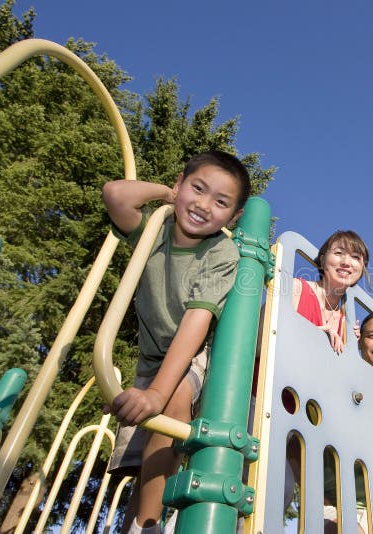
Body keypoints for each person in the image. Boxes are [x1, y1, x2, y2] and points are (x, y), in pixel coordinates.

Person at [102, 150, 250, 534]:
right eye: (197, 189)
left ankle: (148, 525)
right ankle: (136, 522)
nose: (203, 205)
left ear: (233, 218)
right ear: (180, 182)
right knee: (143, 465)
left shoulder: (221, 252)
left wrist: (156, 393)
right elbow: (116, 193)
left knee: (172, 402)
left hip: (194, 354)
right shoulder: (156, 229)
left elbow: (194, 325)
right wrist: (166, 194)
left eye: (221, 202)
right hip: (150, 357)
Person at [323, 310, 373, 533]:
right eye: (371, 336)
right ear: (359, 341)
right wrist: (330, 510)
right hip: (340, 506)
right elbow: (295, 449)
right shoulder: (342, 384)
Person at [291, 230, 369, 353]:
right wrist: (314, 335)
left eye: (355, 257)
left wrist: (354, 349)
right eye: (338, 253)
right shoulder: (296, 288)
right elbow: (261, 341)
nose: (346, 262)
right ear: (322, 261)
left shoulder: (347, 326)